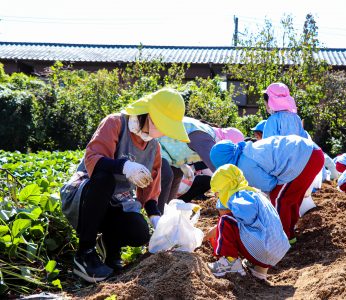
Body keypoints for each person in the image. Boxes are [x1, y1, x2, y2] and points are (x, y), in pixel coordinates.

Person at [60, 88, 189, 283]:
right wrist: (124, 166)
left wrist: (155, 218)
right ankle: (84, 252)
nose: (161, 132)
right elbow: (93, 159)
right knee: (105, 179)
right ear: (148, 115)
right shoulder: (115, 123)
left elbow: (149, 191)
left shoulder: (154, 147)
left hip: (116, 203)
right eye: (161, 125)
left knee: (139, 231)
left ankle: (111, 249)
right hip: (86, 196)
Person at [209, 135, 324, 244]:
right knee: (290, 198)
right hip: (311, 152)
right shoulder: (247, 151)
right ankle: (290, 234)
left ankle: (281, 241)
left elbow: (269, 185)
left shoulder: (244, 164)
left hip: (304, 158)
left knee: (279, 199)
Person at [206, 164, 290, 280]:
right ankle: (259, 271)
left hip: (264, 248)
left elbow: (247, 215)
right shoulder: (255, 193)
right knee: (248, 227)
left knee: (226, 221)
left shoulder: (239, 195)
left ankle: (230, 262)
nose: (218, 197)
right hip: (276, 249)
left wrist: (216, 229)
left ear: (226, 187)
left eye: (218, 193)